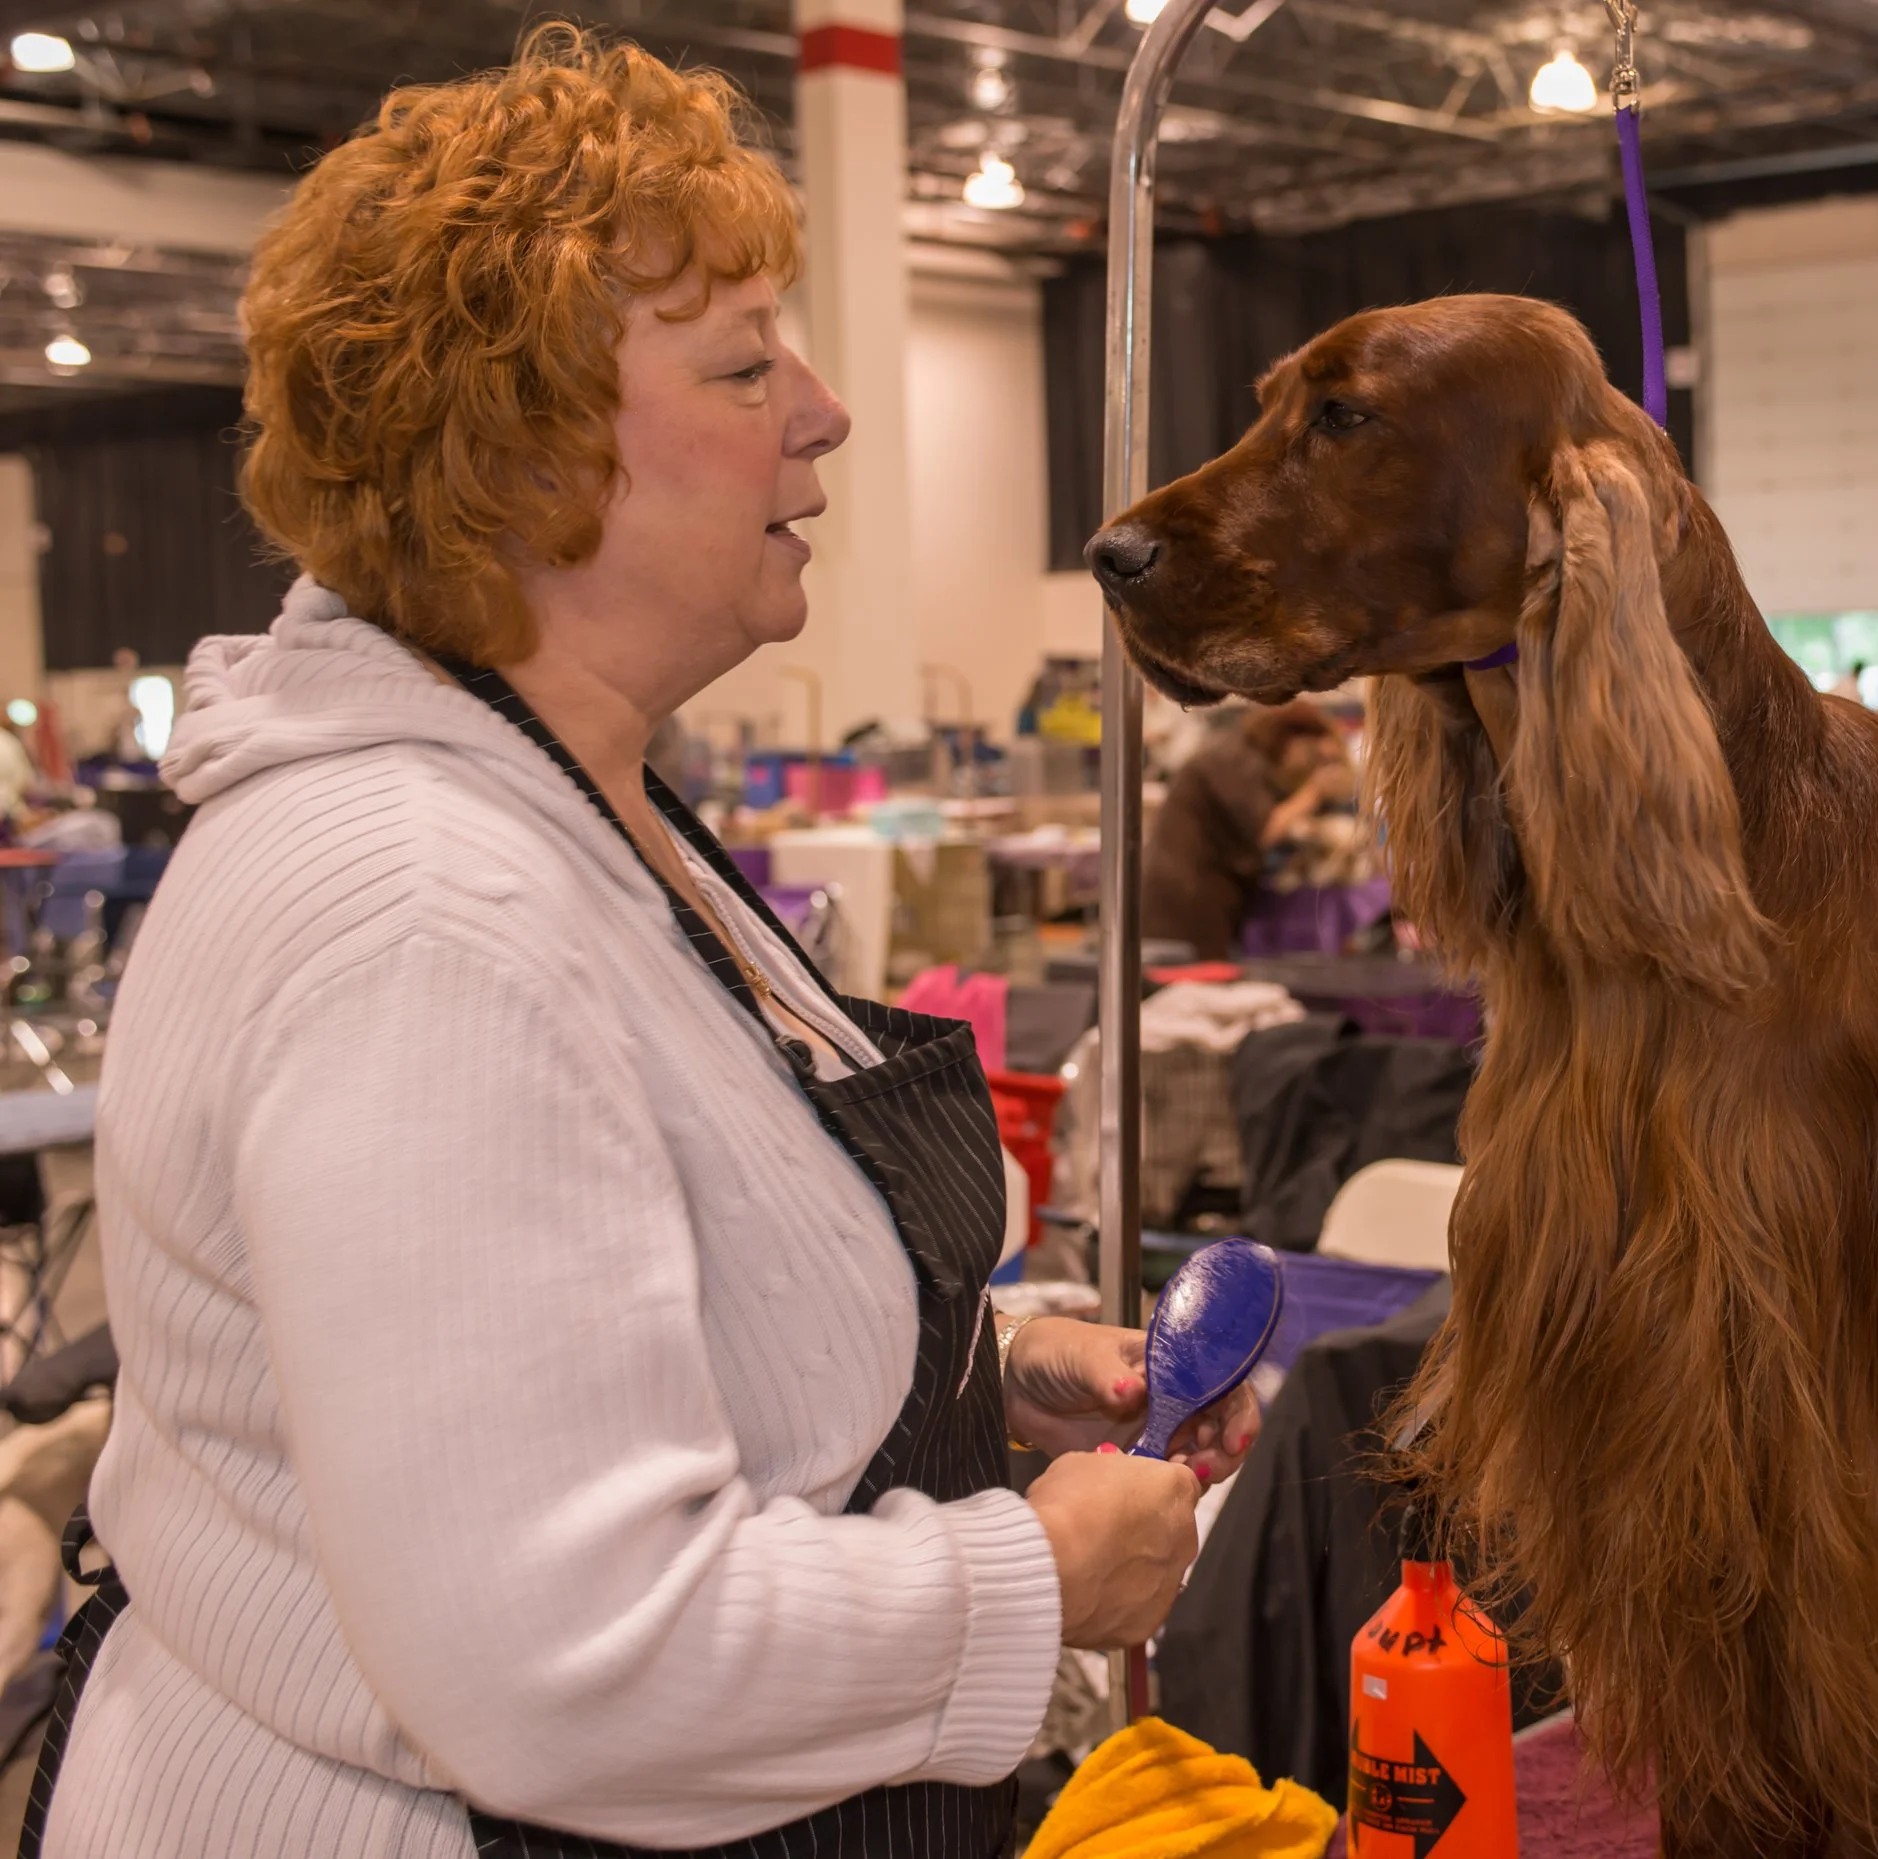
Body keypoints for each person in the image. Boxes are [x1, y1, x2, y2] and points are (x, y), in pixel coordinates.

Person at [42, 31, 1253, 1859]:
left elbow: (620, 1304)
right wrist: (1030, 1577)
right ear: (524, 457)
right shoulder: (425, 918)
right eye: (746, 363)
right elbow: (563, 1655)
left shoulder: (580, 804)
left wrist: (972, 1373)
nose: (825, 412)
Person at [1141, 701, 1352, 960]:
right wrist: (1314, 791)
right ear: (1292, 741)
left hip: (1196, 893)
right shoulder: (1233, 760)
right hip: (1184, 898)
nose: (1307, 768)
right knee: (1191, 975)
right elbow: (1266, 829)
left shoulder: (1239, 756)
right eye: (1311, 757)